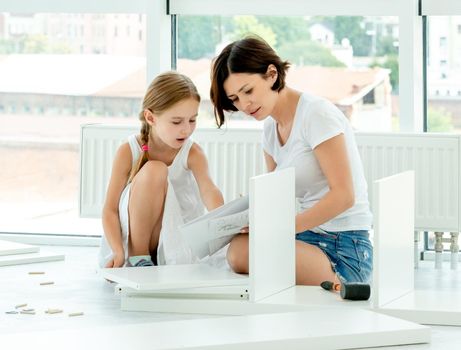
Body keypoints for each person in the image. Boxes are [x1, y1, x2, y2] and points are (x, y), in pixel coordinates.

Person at [210, 36, 373, 285]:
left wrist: (282, 228)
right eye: (234, 99)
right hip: (306, 236)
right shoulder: (269, 130)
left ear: (272, 74)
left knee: (243, 255)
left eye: (248, 91)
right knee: (238, 250)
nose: (244, 105)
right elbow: (279, 197)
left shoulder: (316, 114)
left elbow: (344, 195)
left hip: (344, 244)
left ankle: (342, 280)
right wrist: (247, 217)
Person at [99, 71, 224, 268]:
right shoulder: (128, 150)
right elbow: (109, 210)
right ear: (150, 118)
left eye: (192, 120)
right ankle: (138, 258)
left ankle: (154, 259)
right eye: (176, 121)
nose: (186, 129)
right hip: (135, 242)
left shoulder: (193, 153)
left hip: (174, 239)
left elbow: (209, 191)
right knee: (155, 170)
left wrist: (226, 221)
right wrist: (117, 250)